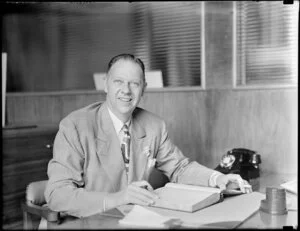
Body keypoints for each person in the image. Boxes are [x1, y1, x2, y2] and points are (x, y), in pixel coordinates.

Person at [45, 53, 252, 218]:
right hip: (89, 221)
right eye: (119, 81)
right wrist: (118, 198)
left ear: (143, 88)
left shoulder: (154, 125)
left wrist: (218, 178)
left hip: (136, 219)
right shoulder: (75, 126)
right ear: (105, 84)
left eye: (134, 83)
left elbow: (179, 167)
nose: (126, 90)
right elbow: (57, 194)